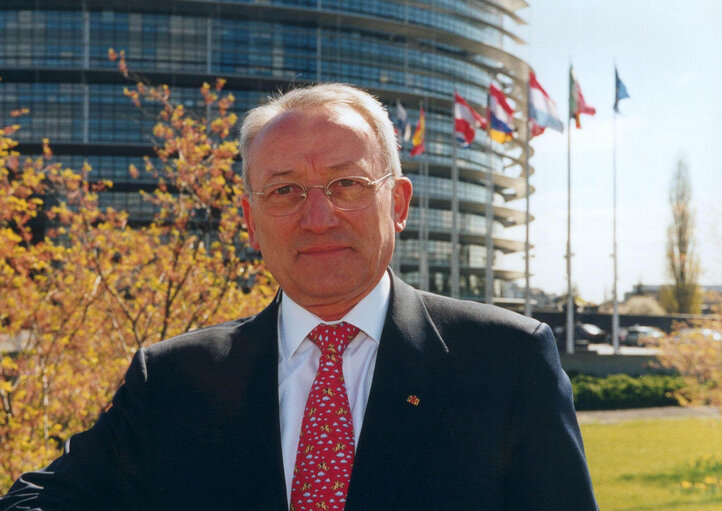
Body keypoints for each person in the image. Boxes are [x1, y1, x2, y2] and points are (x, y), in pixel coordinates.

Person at [1, 83, 598, 510]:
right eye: (284, 191)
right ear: (251, 220)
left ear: (399, 203)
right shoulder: (175, 377)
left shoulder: (506, 361)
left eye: (347, 184)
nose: (319, 217)